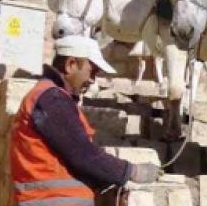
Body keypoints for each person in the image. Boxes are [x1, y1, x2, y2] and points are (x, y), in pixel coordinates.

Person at [10, 35, 160, 206]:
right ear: (71, 65)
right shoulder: (52, 99)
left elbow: (72, 160)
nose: (92, 80)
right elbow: (83, 154)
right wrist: (131, 171)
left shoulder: (52, 97)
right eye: (92, 71)